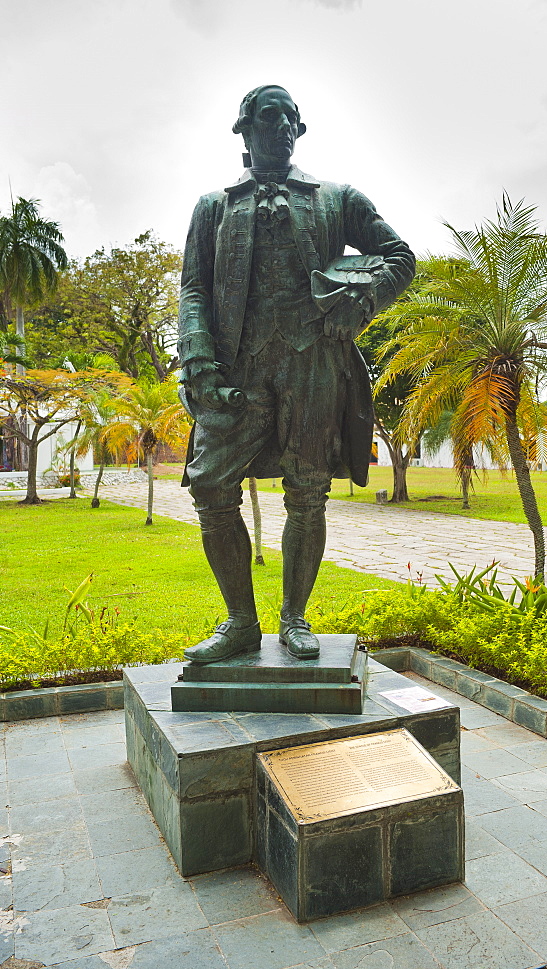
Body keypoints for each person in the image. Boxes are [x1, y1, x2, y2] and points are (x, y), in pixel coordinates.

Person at [179, 85, 415, 663]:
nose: (282, 127)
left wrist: (364, 304)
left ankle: (294, 619)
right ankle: (239, 622)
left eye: (291, 119)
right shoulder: (214, 207)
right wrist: (199, 362)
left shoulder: (337, 199)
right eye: (269, 116)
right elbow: (194, 290)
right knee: (211, 486)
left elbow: (400, 256)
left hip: (313, 363)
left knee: (307, 494)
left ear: (300, 131)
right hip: (238, 365)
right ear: (244, 128)